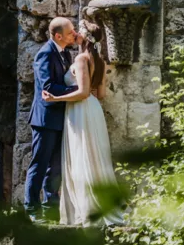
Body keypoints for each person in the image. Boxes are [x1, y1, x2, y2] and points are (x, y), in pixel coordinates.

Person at [41, 22, 122, 227]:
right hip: (94, 110)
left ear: (84, 38)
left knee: (80, 157)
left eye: (78, 32)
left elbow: (83, 92)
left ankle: (85, 209)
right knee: (94, 157)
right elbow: (100, 94)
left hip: (80, 109)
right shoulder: (100, 61)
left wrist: (55, 99)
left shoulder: (80, 59)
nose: (75, 34)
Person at [25, 16, 78, 223]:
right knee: (39, 164)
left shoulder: (64, 53)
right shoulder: (45, 54)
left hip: (60, 118)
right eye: (70, 32)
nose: (74, 34)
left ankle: (51, 210)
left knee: (55, 167)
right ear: (58, 36)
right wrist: (77, 90)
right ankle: (32, 210)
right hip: (45, 119)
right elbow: (48, 87)